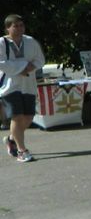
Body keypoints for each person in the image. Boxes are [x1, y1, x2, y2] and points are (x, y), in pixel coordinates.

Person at [1, 14, 45, 163]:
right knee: (17, 116)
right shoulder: (2, 43)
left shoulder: (30, 41)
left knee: (28, 117)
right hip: (9, 85)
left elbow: (40, 59)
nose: (19, 28)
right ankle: (22, 150)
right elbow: (2, 62)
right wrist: (22, 68)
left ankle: (11, 139)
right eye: (15, 26)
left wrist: (30, 67)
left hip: (28, 84)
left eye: (21, 25)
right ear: (8, 28)